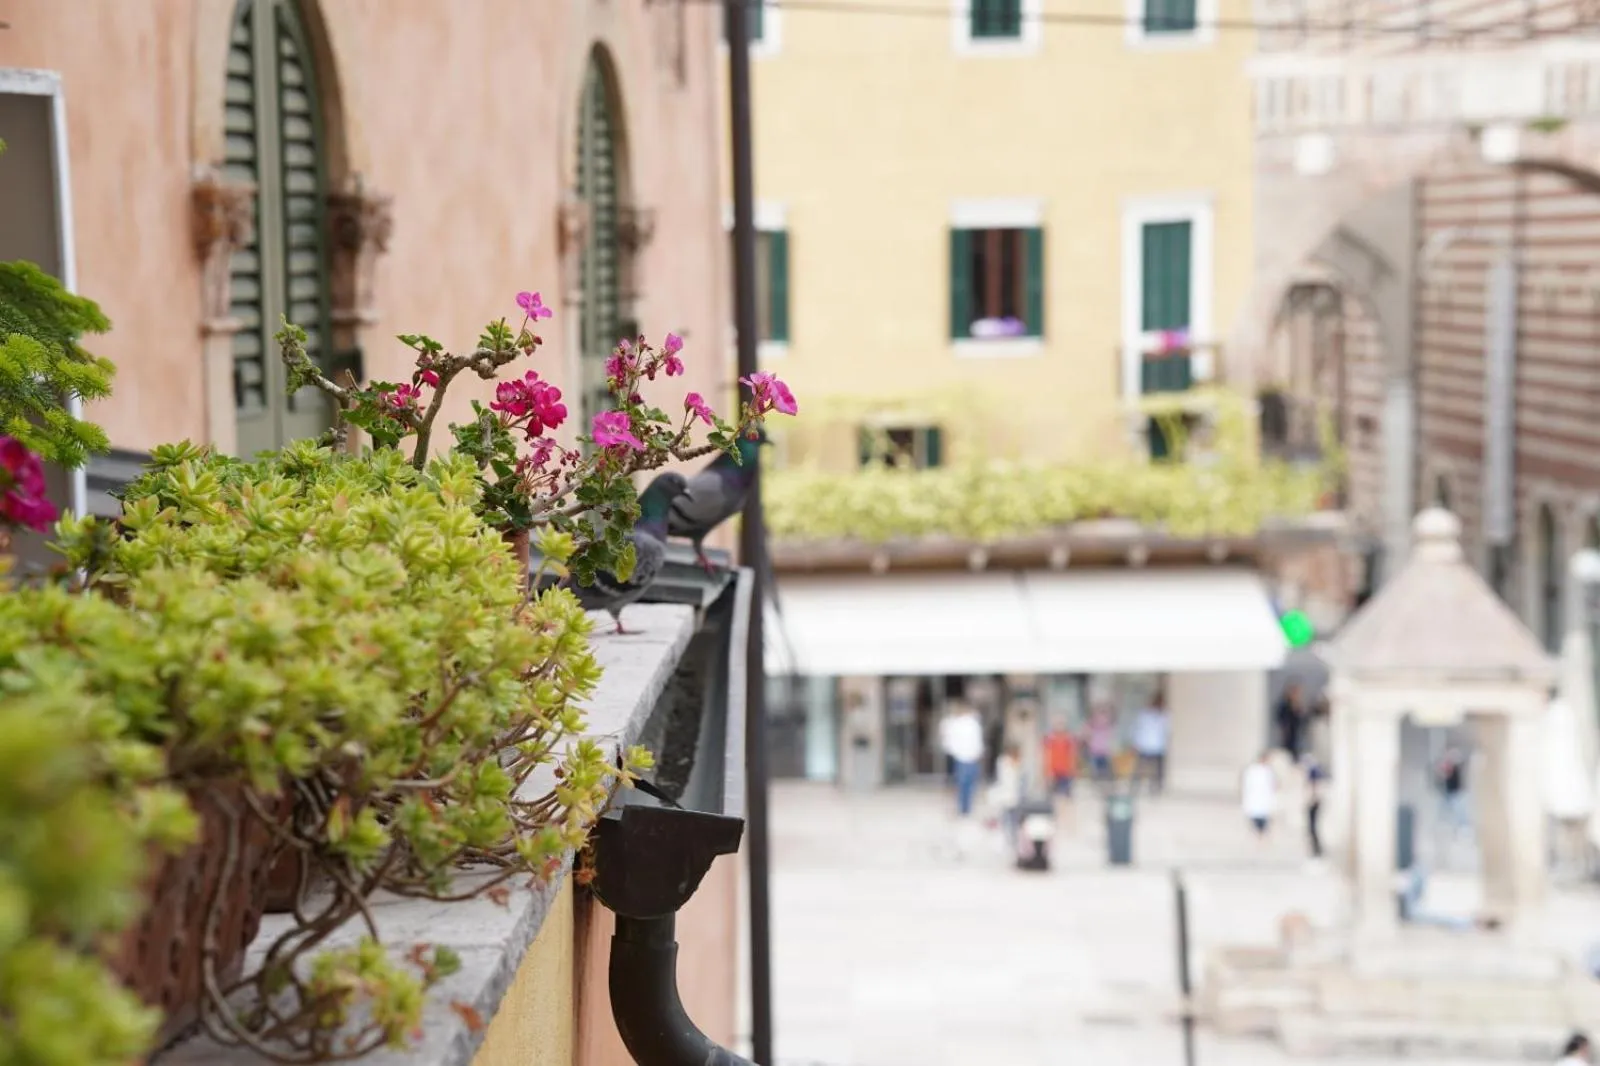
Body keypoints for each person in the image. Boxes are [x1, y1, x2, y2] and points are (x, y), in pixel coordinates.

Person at [940, 701, 985, 818]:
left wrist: (953, 752)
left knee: (963, 784)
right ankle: (966, 808)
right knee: (969, 784)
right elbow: (977, 742)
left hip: (962, 757)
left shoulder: (960, 724)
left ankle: (963, 808)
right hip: (970, 757)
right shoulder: (972, 724)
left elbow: (950, 741)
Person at [1131, 693, 1170, 795]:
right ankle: (1135, 788)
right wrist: (1136, 743)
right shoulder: (1145, 714)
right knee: (1141, 768)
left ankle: (1155, 789)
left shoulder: (1164, 715)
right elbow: (1138, 729)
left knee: (1156, 771)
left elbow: (1167, 730)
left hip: (1157, 746)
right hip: (1147, 745)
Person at [989, 743, 1024, 852]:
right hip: (1007, 797)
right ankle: (1007, 841)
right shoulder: (1005, 763)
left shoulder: (1015, 763)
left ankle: (1013, 841)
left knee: (1013, 821)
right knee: (1006, 820)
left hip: (1013, 798)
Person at [1241, 750, 1277, 840]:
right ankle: (1258, 836)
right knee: (1256, 819)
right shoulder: (1252, 770)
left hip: (1264, 799)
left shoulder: (1269, 770)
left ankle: (1262, 837)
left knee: (1264, 821)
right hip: (1255, 798)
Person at [1436, 746, 1470, 835]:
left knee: (1459, 810)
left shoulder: (1456, 768)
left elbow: (1454, 772)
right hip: (1448, 792)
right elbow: (1441, 776)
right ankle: (1443, 825)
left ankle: (1463, 827)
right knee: (1444, 809)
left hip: (1455, 793)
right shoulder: (1447, 766)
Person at [1043, 720, 1079, 797]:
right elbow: (1047, 755)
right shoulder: (1050, 740)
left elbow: (1072, 755)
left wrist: (1072, 769)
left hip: (1065, 771)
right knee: (1054, 795)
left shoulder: (1068, 740)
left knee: (1065, 794)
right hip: (1054, 771)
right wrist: (1047, 771)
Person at [1275, 683, 1307, 760]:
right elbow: (1282, 719)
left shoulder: (1297, 706)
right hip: (1288, 737)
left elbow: (1302, 720)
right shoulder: (1284, 706)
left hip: (1297, 737)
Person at [1085, 706, 1116, 783]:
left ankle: (1106, 783)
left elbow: (1111, 739)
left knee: (1106, 772)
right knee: (1095, 772)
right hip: (1094, 752)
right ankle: (1097, 783)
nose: (1102, 719)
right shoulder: (1091, 725)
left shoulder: (1108, 727)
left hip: (1104, 752)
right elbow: (1086, 734)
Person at [1304, 756, 1327, 859]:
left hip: (1314, 802)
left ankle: (1317, 850)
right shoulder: (1316, 771)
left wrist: (1312, 798)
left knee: (1313, 827)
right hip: (1315, 801)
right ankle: (1316, 850)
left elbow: (1315, 785)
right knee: (1312, 827)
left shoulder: (1313, 771)